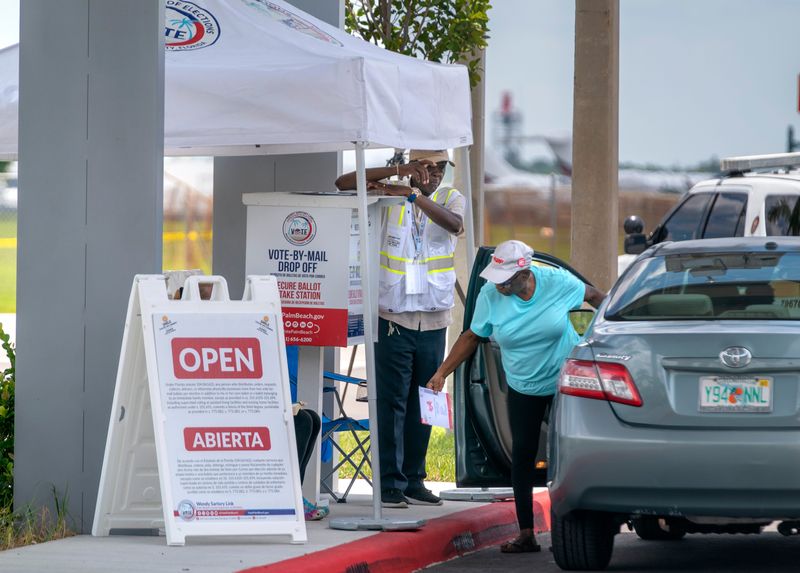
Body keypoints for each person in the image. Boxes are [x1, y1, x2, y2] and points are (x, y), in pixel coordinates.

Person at [426, 240, 606, 552]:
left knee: (569, 452)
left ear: (525, 273)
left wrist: (607, 337)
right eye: (496, 279)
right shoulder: (491, 295)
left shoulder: (556, 283)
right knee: (522, 455)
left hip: (565, 380)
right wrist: (443, 371)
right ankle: (526, 534)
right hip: (523, 384)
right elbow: (472, 336)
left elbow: (596, 297)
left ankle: (576, 525)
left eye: (505, 281)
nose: (499, 286)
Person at [335, 150, 464, 508]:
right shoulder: (387, 191)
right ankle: (390, 482)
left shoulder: (450, 198)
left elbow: (455, 225)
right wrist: (397, 174)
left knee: (426, 400)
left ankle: (414, 478)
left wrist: (414, 196)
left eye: (441, 168)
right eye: (429, 167)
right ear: (414, 166)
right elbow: (344, 183)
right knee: (391, 402)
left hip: (434, 316)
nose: (435, 174)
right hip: (394, 315)